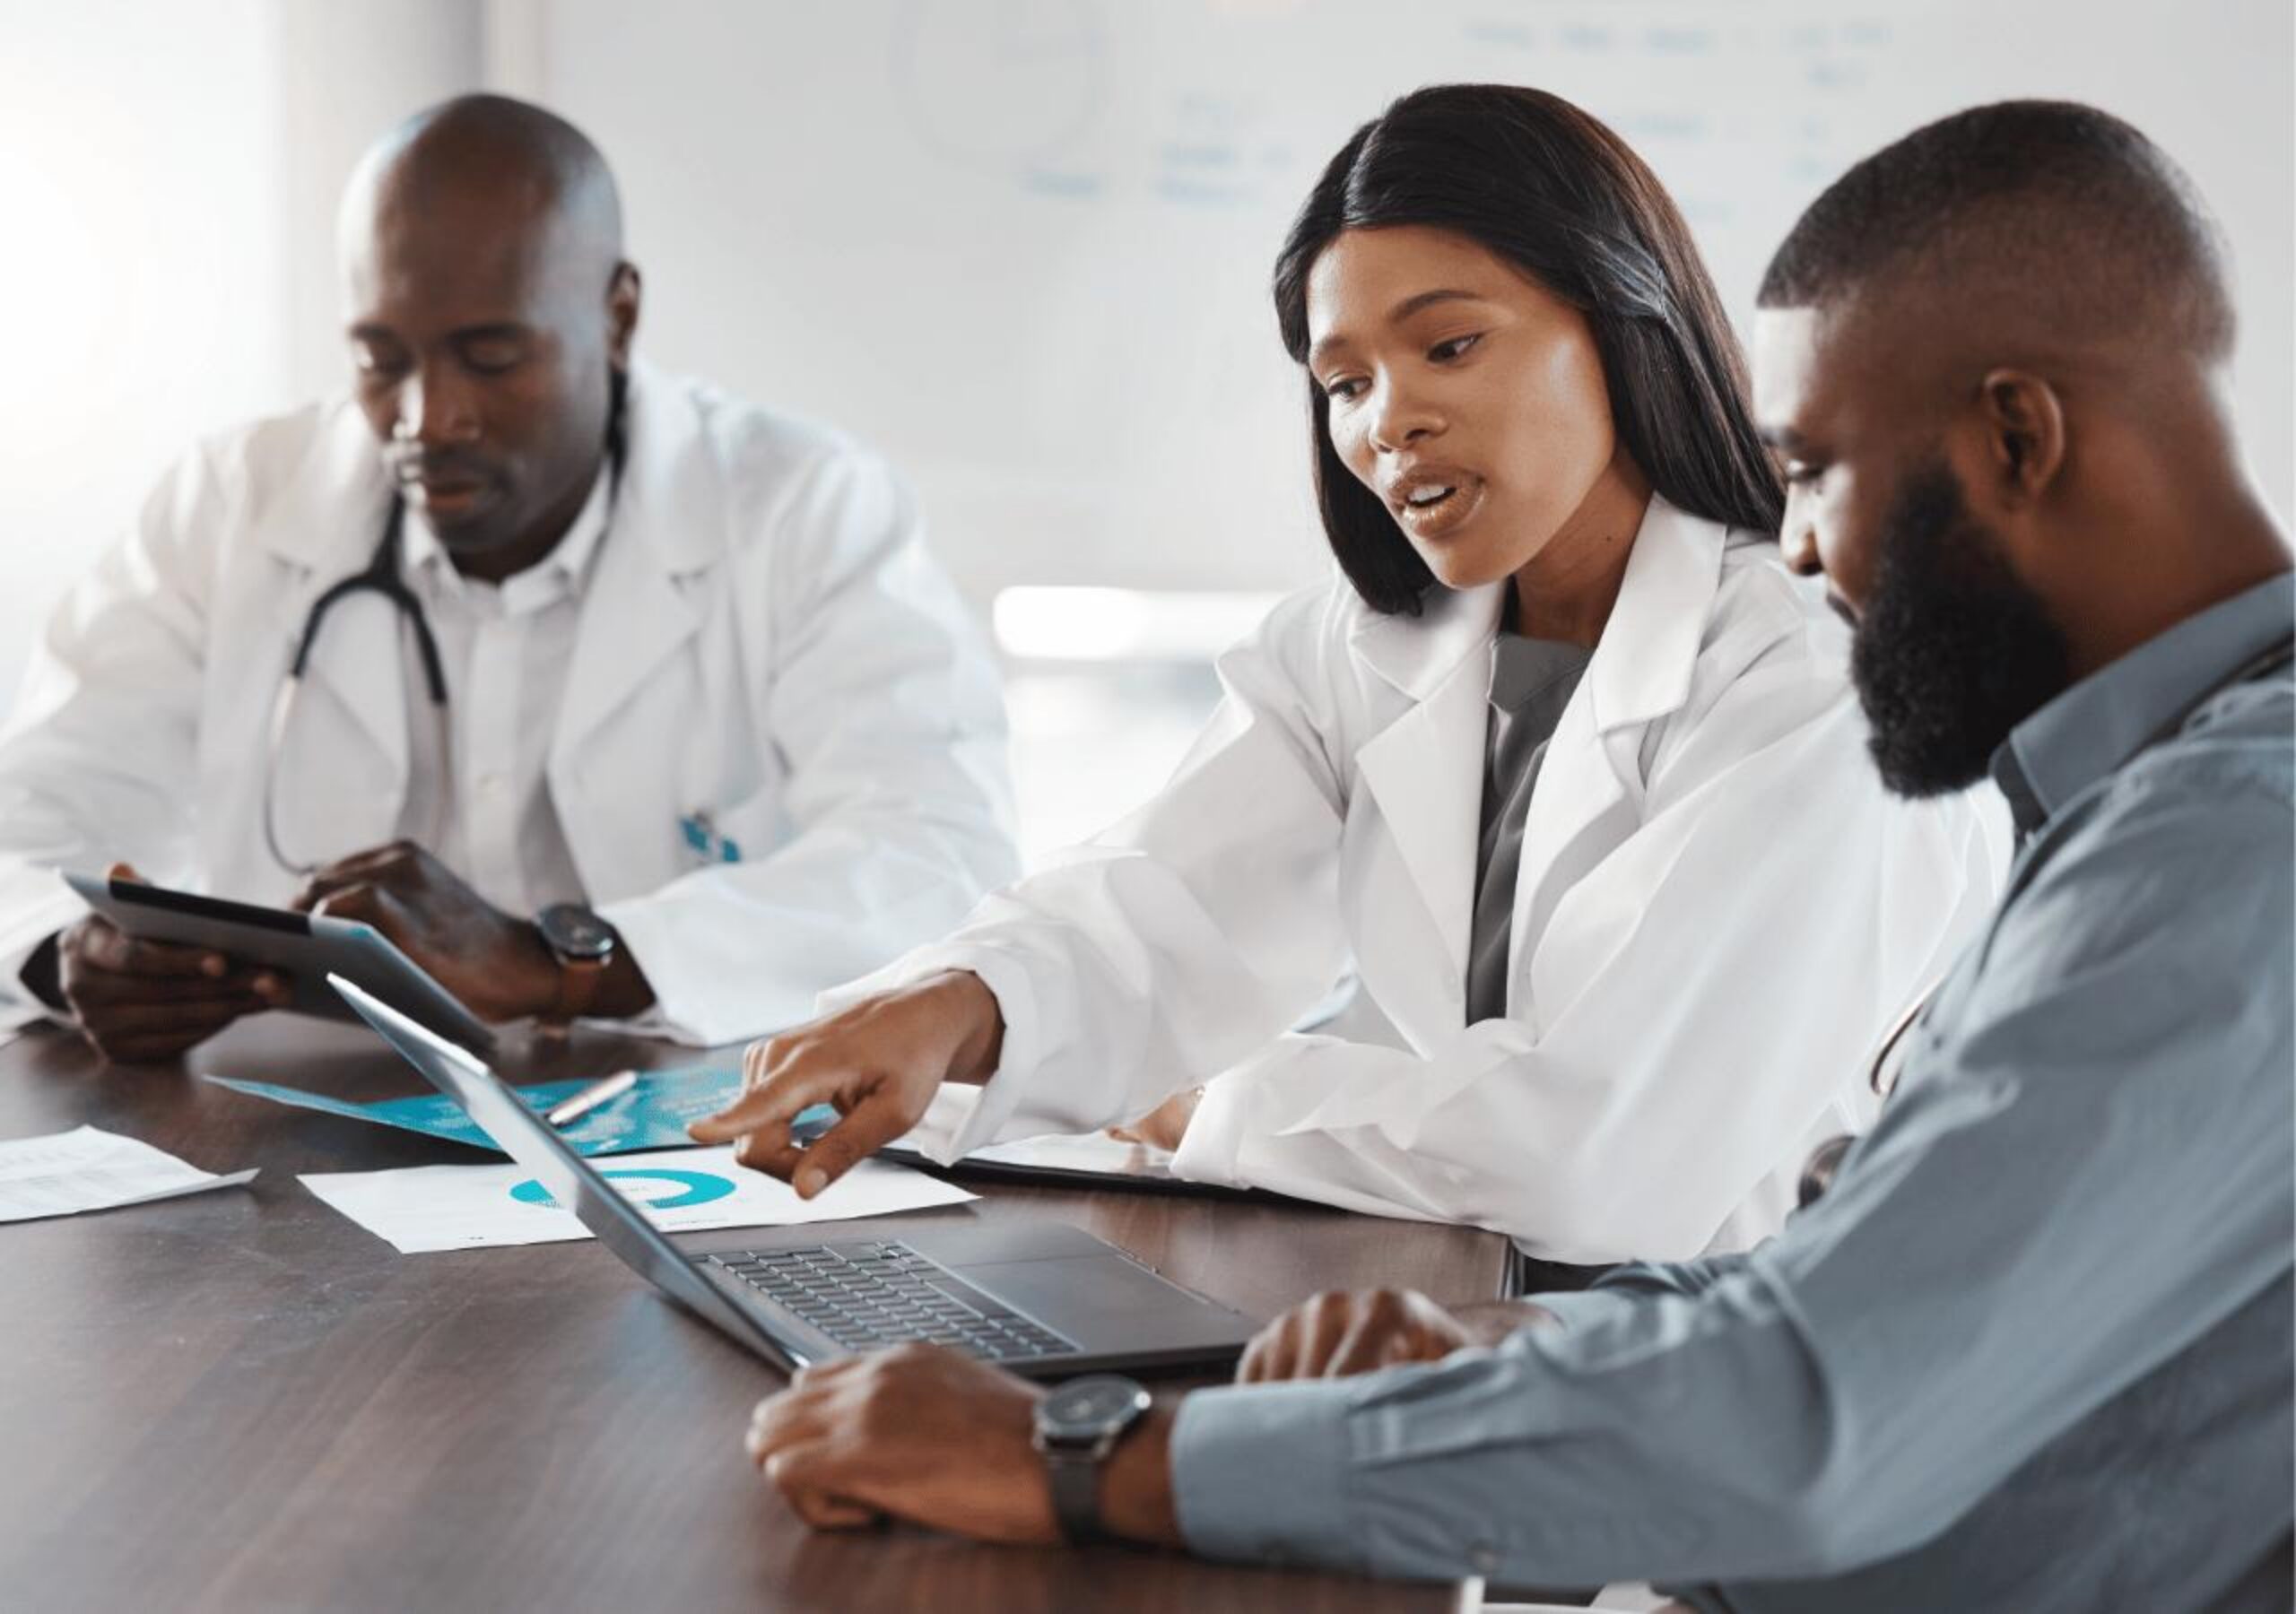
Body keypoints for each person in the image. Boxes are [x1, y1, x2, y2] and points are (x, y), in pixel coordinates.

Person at [727, 98, 2295, 1610]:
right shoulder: (2134, 802)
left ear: (2018, 434)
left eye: (1815, 471)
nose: (1804, 546)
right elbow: (1839, 1293)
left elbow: (1806, 1409)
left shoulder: (2221, 843)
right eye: (1337, 378)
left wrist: (1092, 1454)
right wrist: (1491, 1357)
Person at [692, 84, 2002, 1288]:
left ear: (1620, 319)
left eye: (1449, 348)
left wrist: (1200, 1106)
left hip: (1755, 1376)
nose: (1389, 421)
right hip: (1470, 1307)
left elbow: (1596, 1154)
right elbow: (1162, 905)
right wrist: (957, 1005)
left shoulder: (1821, 677)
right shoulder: (1371, 643)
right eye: (1345, 381)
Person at [0, 94, 1016, 1061]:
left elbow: (939, 856)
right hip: (294, 1121)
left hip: (697, 1137)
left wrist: (562, 961)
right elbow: (28, 822)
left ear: (617, 318)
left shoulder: (803, 507)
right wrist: (69, 953)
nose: (426, 419)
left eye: (488, 357)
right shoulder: (233, 502)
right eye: (379, 358)